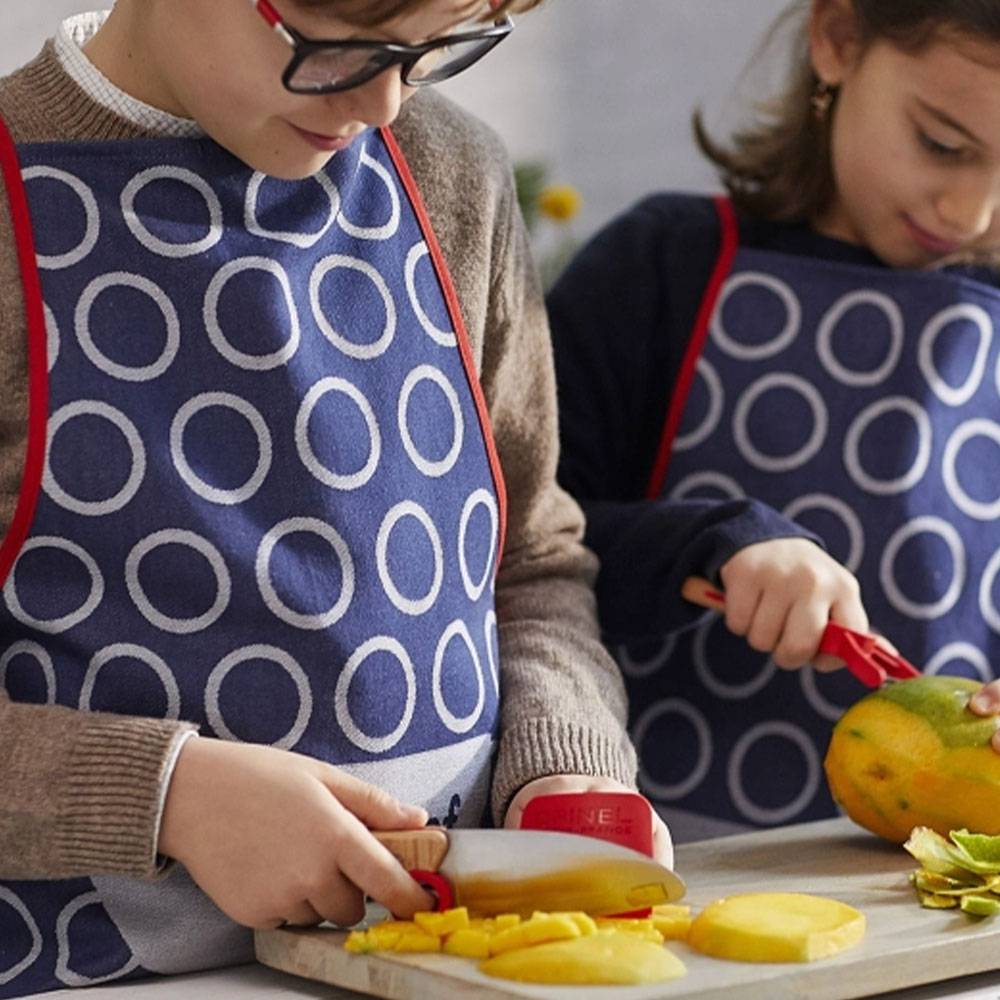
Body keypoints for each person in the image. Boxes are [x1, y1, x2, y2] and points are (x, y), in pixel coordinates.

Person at [0, 1, 664, 995]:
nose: (380, 99)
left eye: (429, 48)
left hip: (447, 965)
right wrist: (166, 792)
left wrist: (561, 753)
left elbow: (530, 558)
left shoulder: (453, 177)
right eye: (333, 39)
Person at [549, 0, 1000, 842]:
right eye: (943, 144)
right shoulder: (660, 269)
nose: (970, 214)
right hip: (655, 853)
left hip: (937, 893)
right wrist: (717, 543)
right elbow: (518, 548)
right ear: (837, 40)